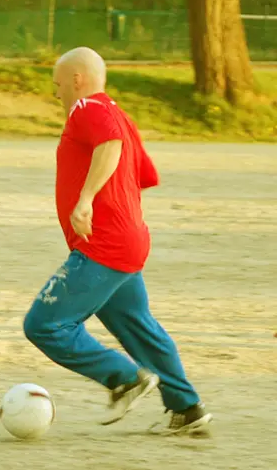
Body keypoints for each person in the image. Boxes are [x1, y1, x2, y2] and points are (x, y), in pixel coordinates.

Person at [22, 47, 212, 435]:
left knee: (45, 325)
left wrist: (87, 199)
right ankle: (187, 409)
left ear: (77, 79)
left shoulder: (87, 109)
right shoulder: (120, 115)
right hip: (129, 240)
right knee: (141, 329)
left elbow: (111, 146)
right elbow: (142, 175)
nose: (56, 93)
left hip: (103, 245)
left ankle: (125, 378)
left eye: (58, 85)